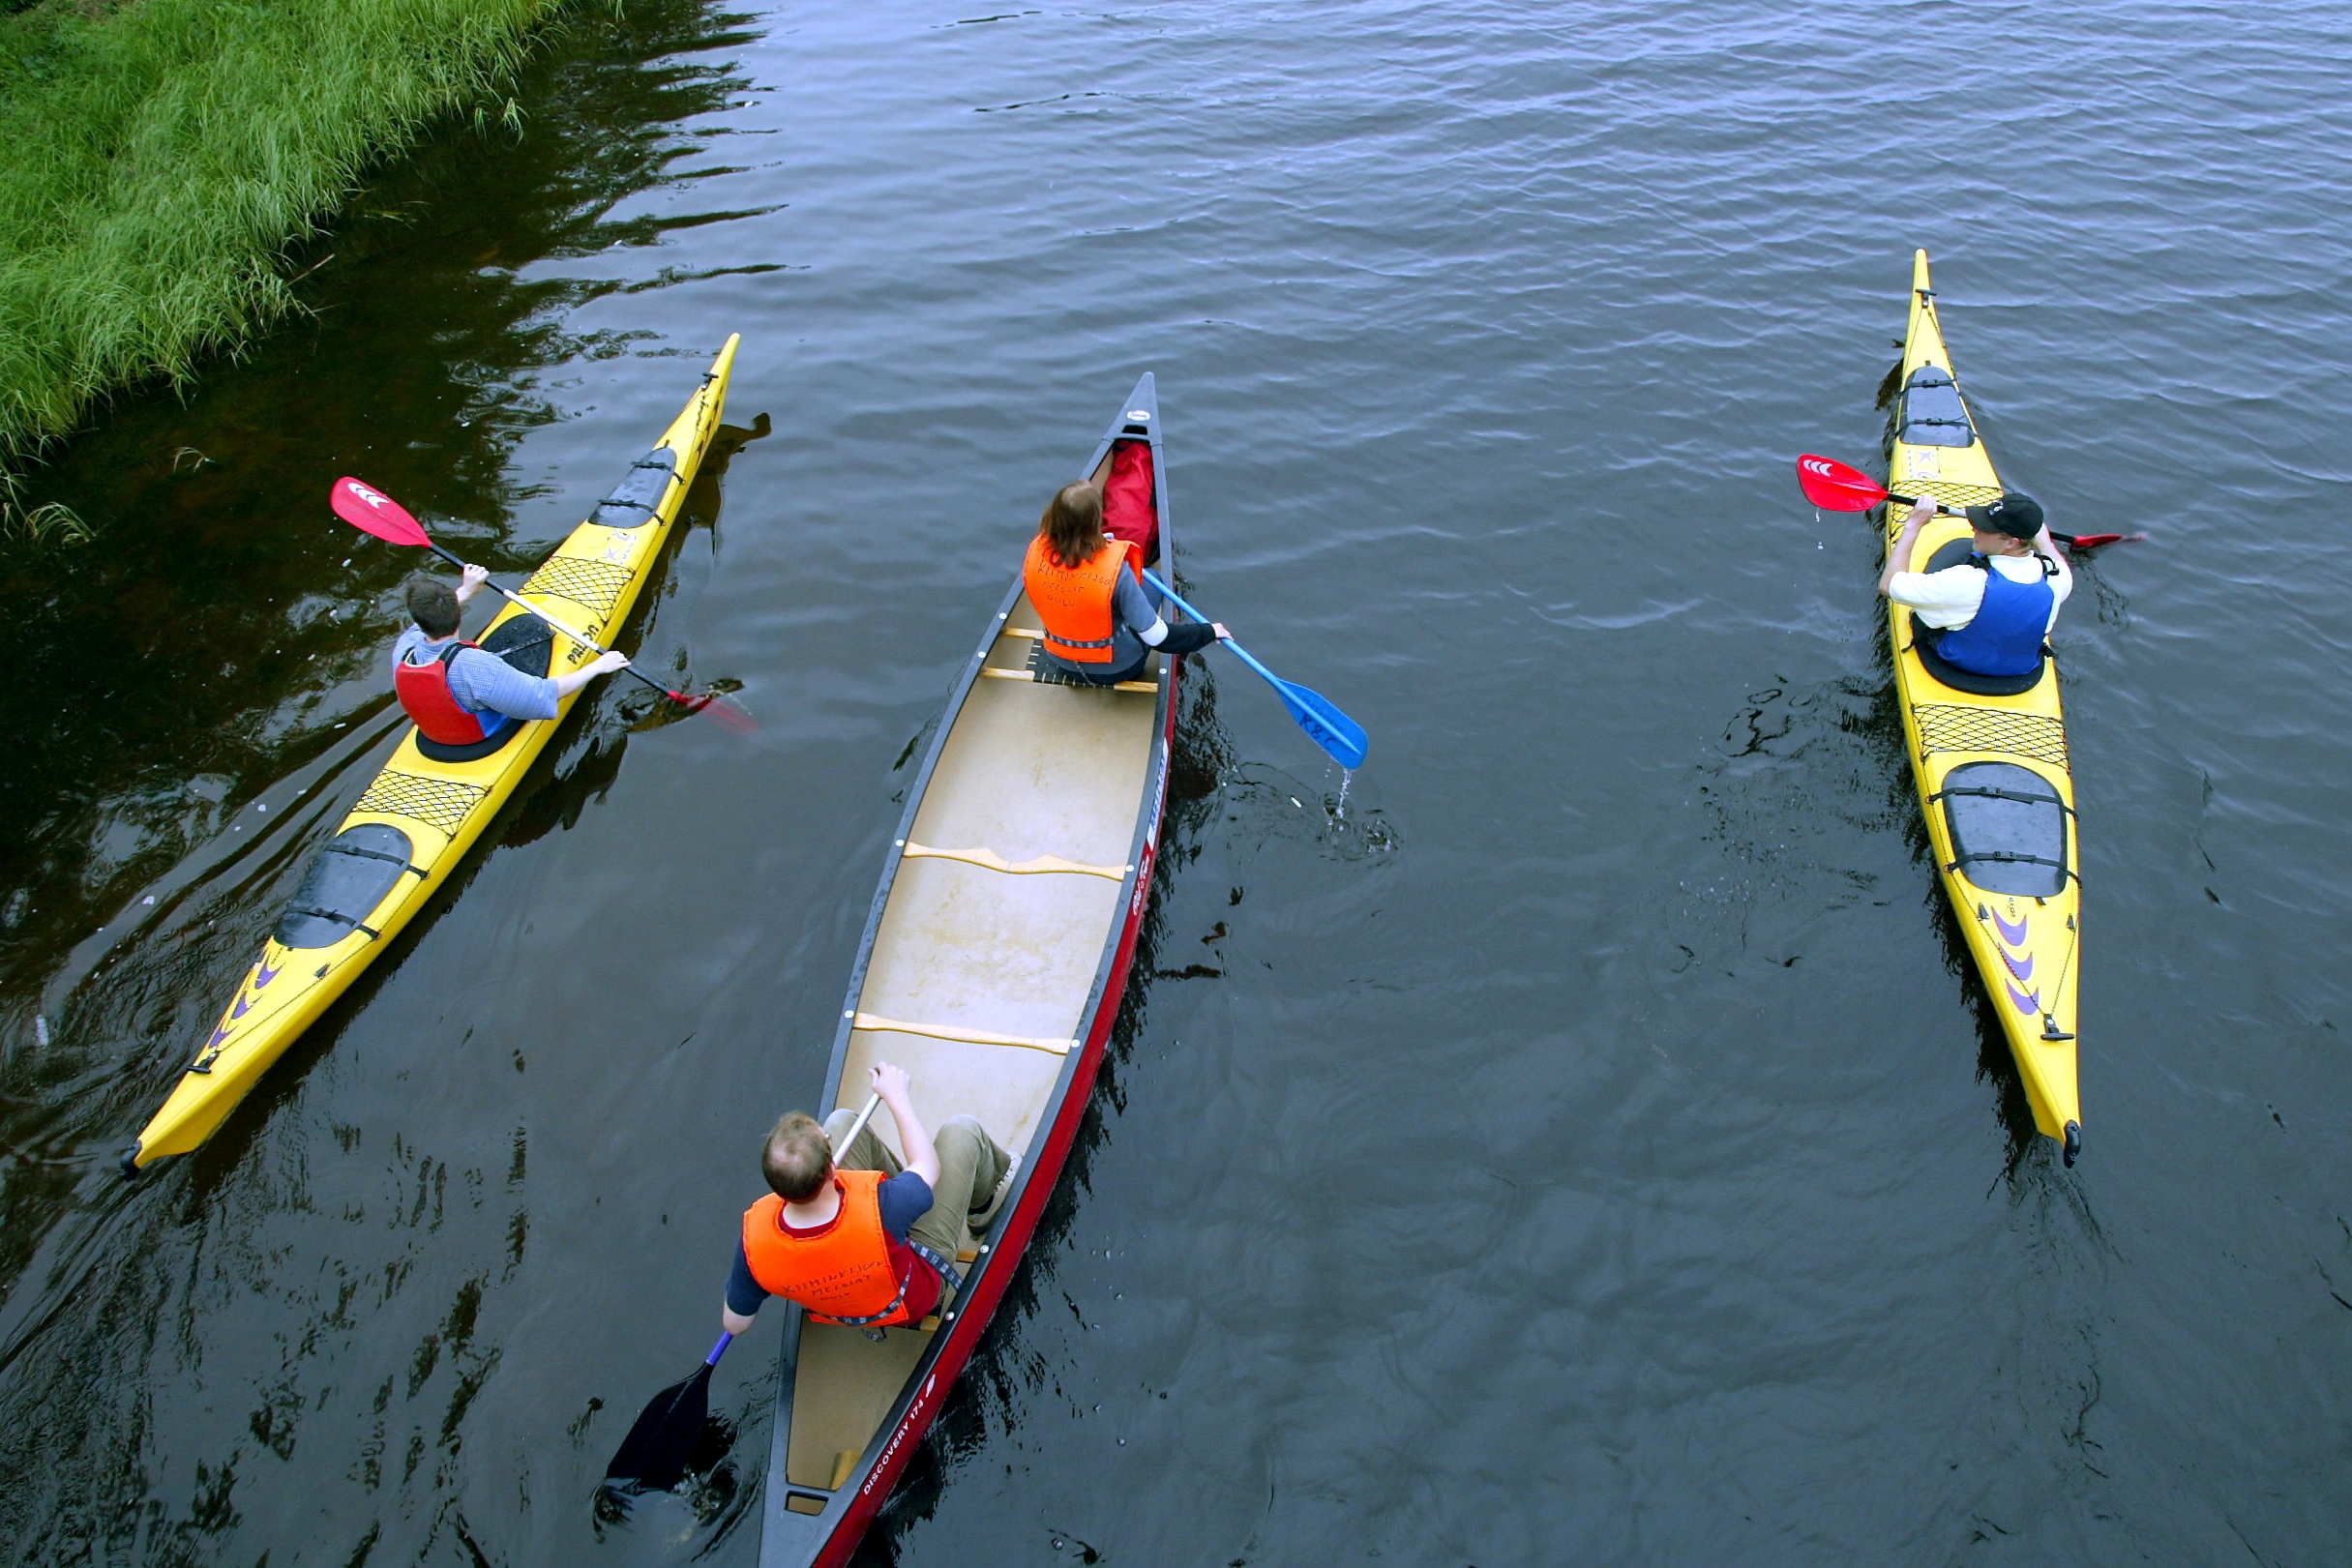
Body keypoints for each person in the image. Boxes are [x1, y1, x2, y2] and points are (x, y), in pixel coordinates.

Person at [722, 1063, 1015, 1336]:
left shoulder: (753, 1245)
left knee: (843, 1121)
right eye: (827, 1141)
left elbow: (735, 1323)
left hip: (848, 1307)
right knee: (963, 1130)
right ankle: (984, 1206)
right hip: (910, 1299)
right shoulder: (884, 1206)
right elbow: (927, 1166)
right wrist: (897, 1098)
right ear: (831, 1170)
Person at [392, 566, 628, 745]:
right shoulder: (475, 666)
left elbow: (418, 628)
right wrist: (597, 667)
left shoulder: (405, 649)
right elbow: (542, 697)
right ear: (458, 615)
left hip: (436, 733)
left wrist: (465, 591)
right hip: (481, 736)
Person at [1023, 481, 1227, 686]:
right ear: (1095, 522)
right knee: (1152, 580)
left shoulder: (1036, 552)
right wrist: (1208, 632)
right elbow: (1158, 638)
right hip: (1117, 669)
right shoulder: (1117, 573)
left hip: (1061, 661)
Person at [1878, 491, 2071, 678]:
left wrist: (1913, 526)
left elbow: (1888, 585)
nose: (1974, 529)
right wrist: (2045, 542)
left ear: (2012, 543)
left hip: (1955, 665)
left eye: (1985, 528)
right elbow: (2058, 563)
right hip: (2020, 670)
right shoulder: (2057, 578)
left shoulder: (1966, 581)